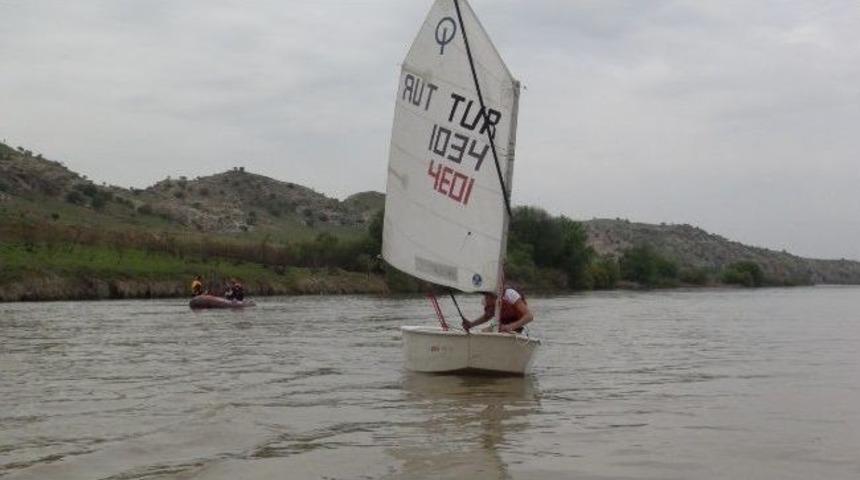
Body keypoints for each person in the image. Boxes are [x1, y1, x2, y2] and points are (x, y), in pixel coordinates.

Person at [462, 286, 534, 333]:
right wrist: (471, 324)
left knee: (499, 332)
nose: (487, 299)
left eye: (489, 296)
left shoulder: (510, 294)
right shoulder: (485, 300)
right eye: (486, 296)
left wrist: (510, 326)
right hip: (500, 327)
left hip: (515, 329)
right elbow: (487, 316)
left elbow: (529, 316)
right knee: (484, 332)